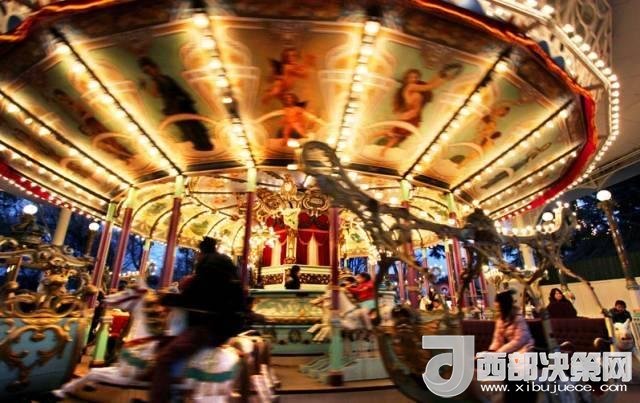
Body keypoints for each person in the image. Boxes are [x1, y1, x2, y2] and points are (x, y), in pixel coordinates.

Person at [148, 237, 245, 403]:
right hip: (226, 326)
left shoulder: (208, 270)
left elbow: (193, 299)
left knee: (164, 358)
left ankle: (159, 399)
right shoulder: (227, 268)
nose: (197, 256)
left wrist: (165, 299)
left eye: (198, 253)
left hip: (207, 327)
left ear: (202, 252)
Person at [138, 56, 214, 152]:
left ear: (155, 67)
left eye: (150, 69)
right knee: (188, 126)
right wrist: (145, 87)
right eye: (147, 71)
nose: (151, 72)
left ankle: (204, 143)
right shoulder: (157, 81)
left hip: (182, 104)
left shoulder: (164, 78)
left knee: (194, 124)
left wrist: (185, 98)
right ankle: (199, 144)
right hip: (175, 106)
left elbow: (174, 89)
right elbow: (155, 94)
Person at [488, 291, 536, 403]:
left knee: (510, 365)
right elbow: (497, 339)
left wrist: (499, 352)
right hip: (509, 352)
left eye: (499, 308)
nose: (497, 310)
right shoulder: (500, 320)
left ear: (505, 306)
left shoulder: (518, 318)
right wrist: (491, 351)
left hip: (525, 349)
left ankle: (519, 395)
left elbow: (520, 340)